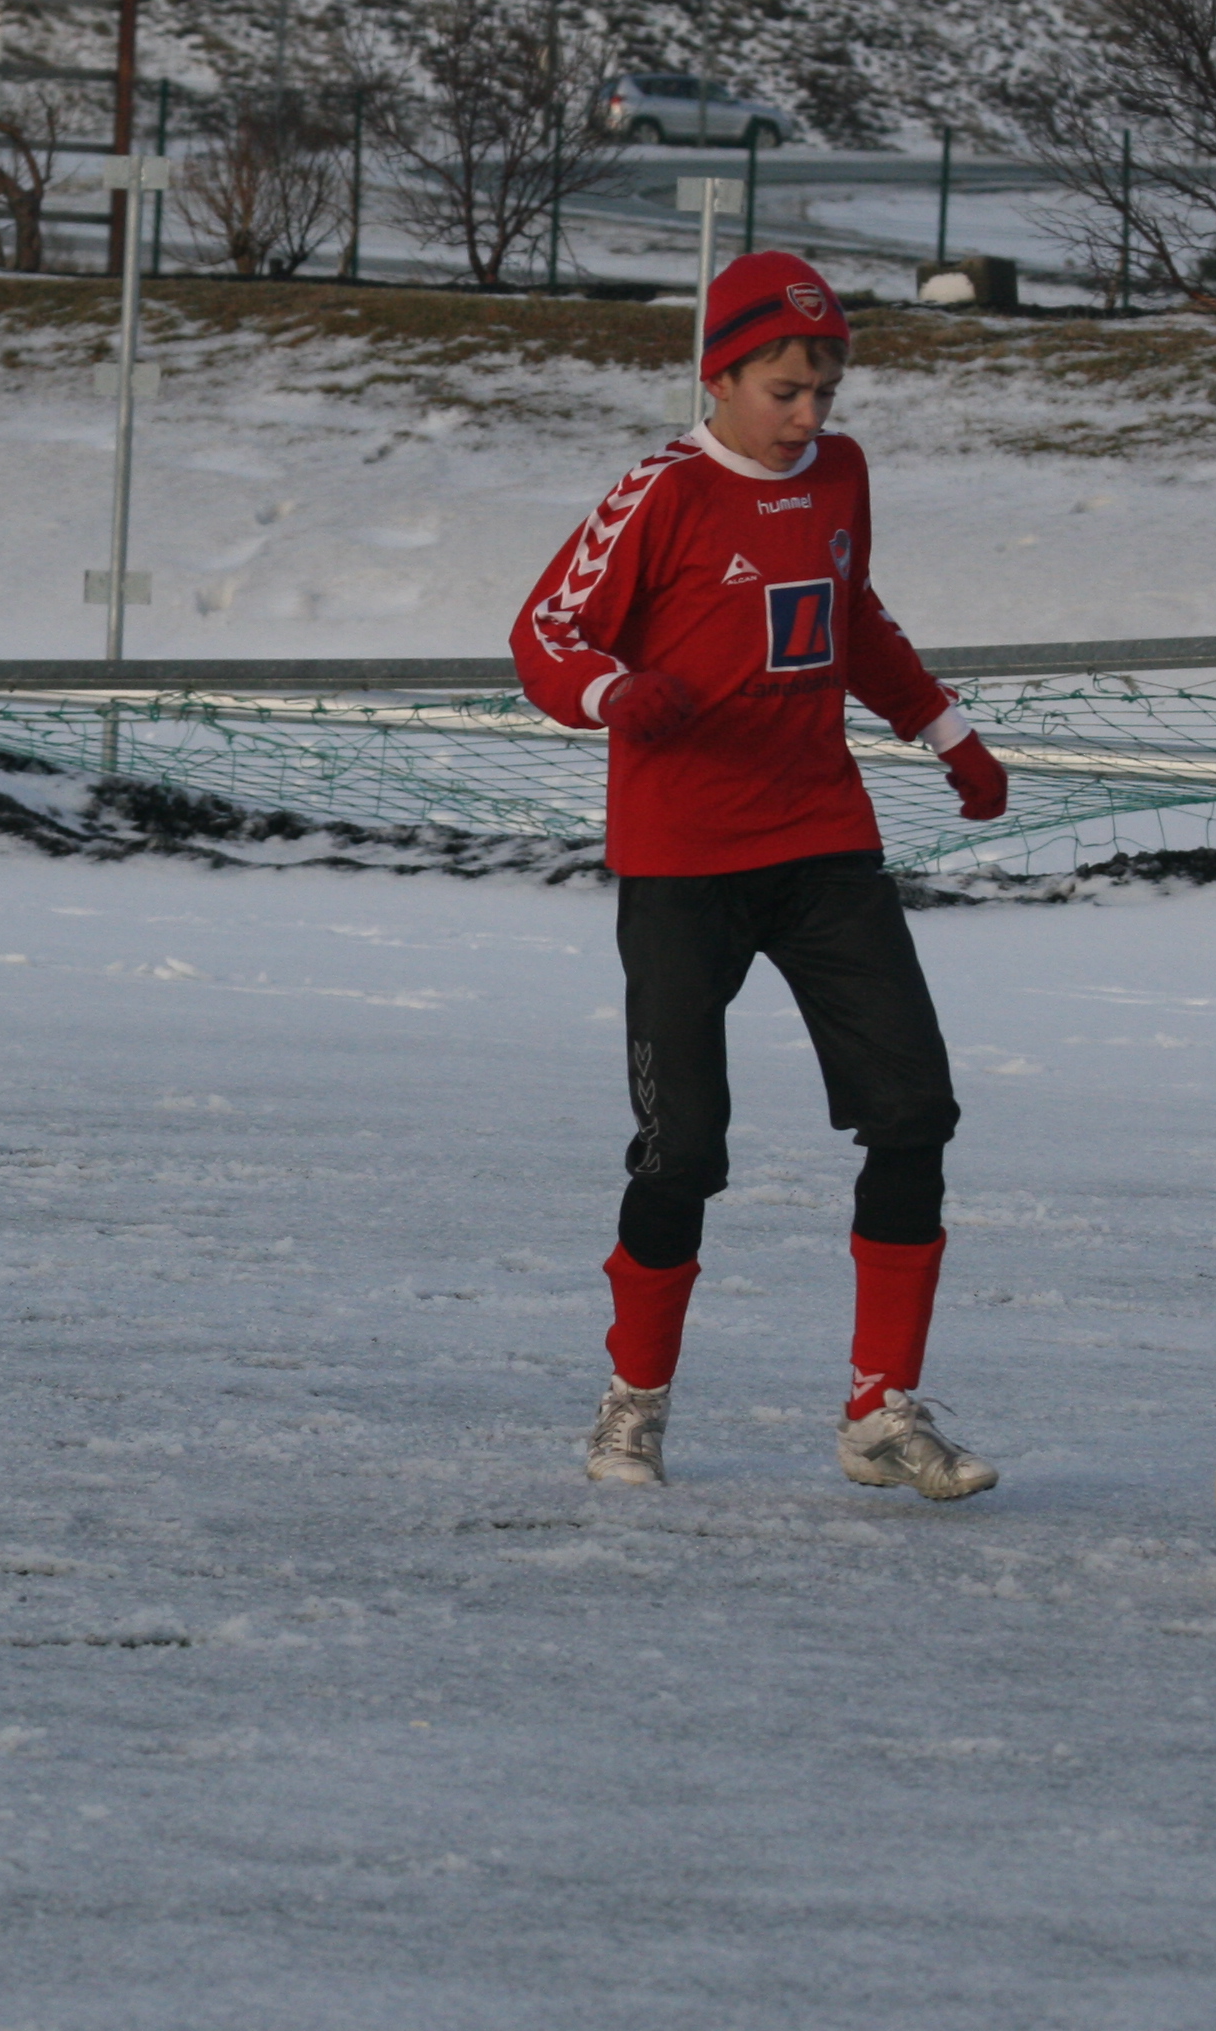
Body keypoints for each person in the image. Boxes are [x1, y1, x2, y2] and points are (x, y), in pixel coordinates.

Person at [510, 251, 1012, 1500]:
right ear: (720, 377)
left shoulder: (840, 474)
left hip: (821, 840)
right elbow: (545, 633)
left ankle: (881, 1413)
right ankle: (633, 1403)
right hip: (684, 861)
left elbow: (852, 616)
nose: (807, 416)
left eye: (825, 392)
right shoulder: (661, 492)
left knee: (914, 1111)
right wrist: (612, 691)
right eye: (786, 390)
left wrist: (943, 728)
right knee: (682, 1152)